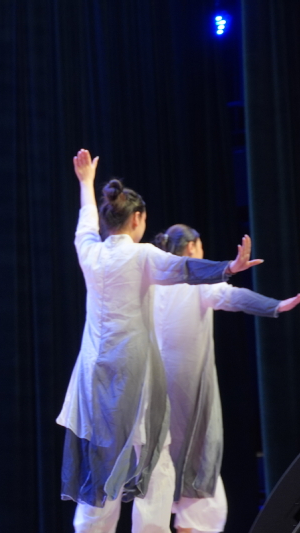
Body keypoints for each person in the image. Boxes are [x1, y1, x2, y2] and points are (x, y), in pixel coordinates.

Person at [57, 149, 263, 533]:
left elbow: (85, 222)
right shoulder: (142, 256)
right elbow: (184, 268)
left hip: (93, 377)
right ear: (137, 219)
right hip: (133, 374)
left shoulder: (90, 252)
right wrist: (229, 267)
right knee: (155, 461)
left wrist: (86, 182)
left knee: (100, 462)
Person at [152, 224, 300, 533]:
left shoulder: (153, 284)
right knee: (197, 489)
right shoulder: (196, 285)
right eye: (201, 246)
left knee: (167, 482)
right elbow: (234, 297)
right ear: (192, 248)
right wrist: (277, 305)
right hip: (186, 401)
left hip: (153, 401)